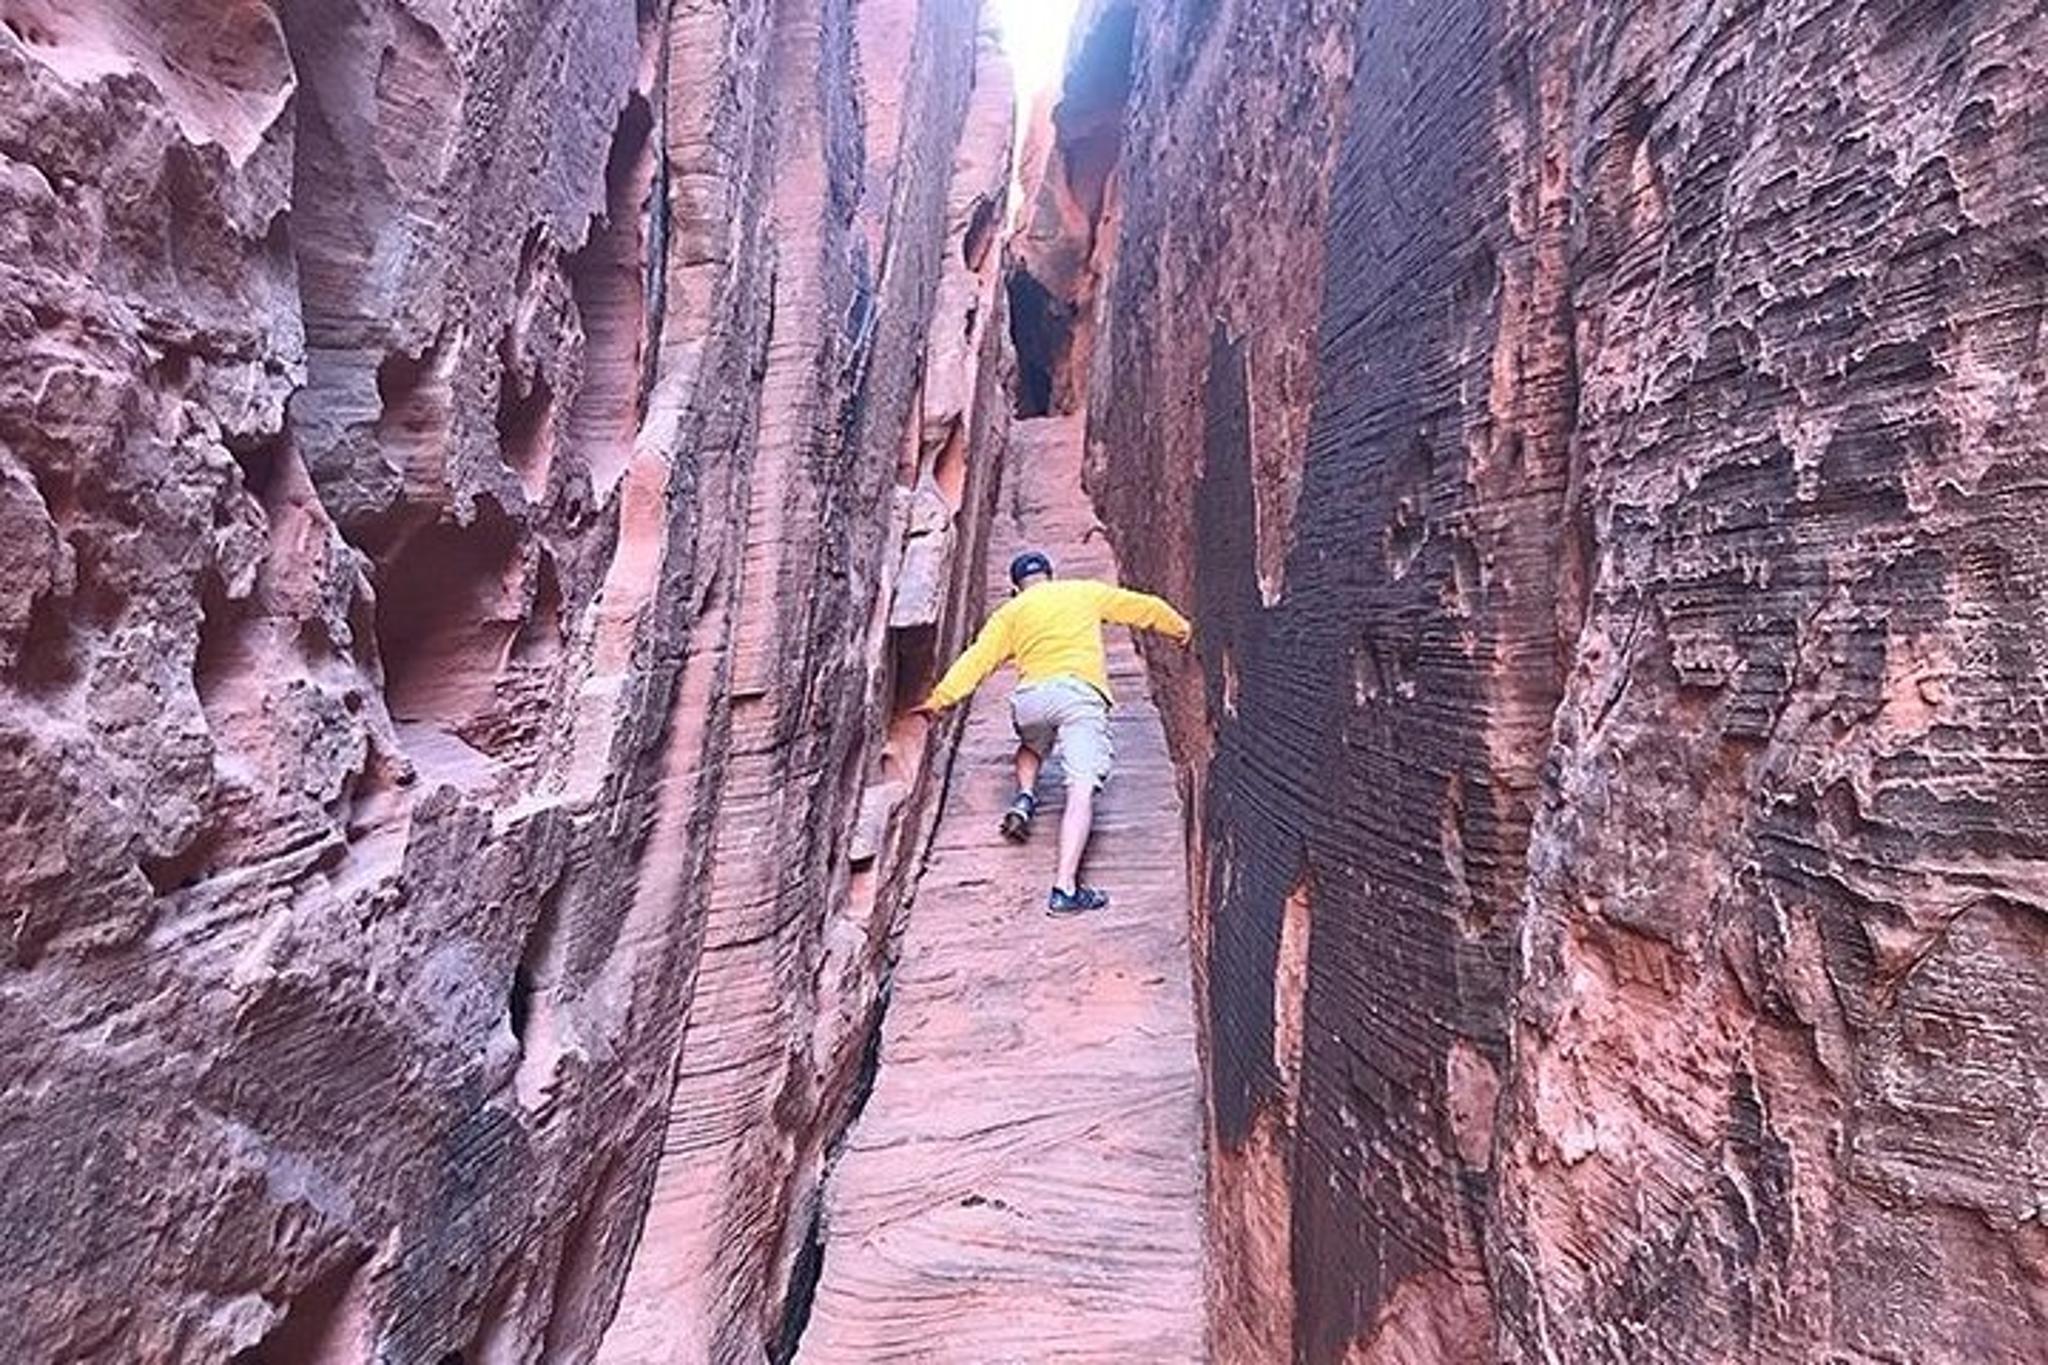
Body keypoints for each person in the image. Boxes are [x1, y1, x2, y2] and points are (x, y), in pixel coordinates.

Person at [916, 549, 1192, 915]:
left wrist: (941, 700)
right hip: (1079, 695)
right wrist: (1181, 629)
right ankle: (1065, 889)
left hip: (1031, 700)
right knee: (1080, 788)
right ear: (1051, 576)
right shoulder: (1082, 592)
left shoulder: (1009, 614)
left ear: (1017, 589)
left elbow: (977, 659)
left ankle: (1026, 796)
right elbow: (1143, 606)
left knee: (1032, 744)